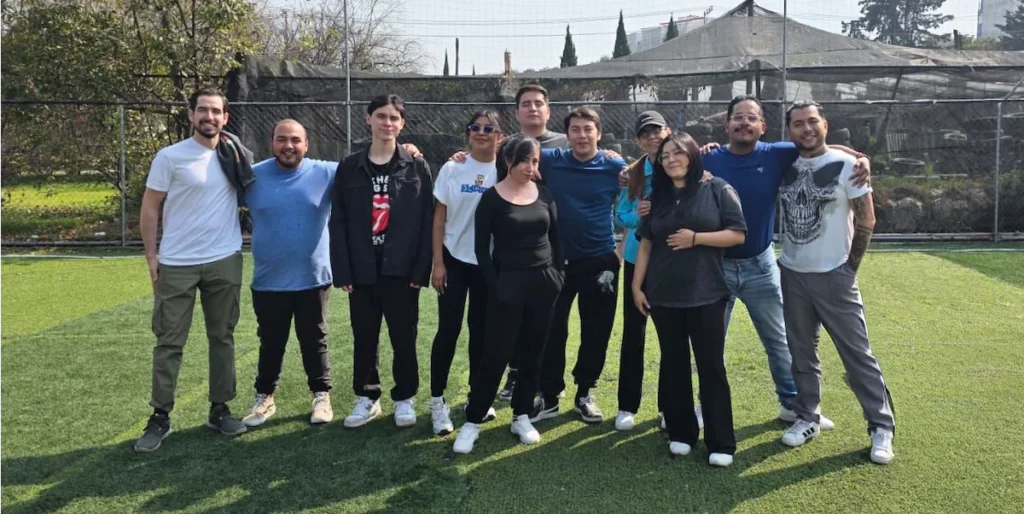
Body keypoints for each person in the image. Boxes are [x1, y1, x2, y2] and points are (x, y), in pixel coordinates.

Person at [683, 95, 871, 426]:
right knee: (709, 343)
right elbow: (670, 165)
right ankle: (704, 405)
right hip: (715, 267)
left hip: (761, 264)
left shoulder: (778, 154)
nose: (744, 123)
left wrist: (859, 157)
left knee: (780, 342)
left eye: (751, 118)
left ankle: (792, 404)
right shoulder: (707, 159)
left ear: (763, 127)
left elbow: (819, 144)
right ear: (726, 124)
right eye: (737, 117)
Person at [776, 102, 895, 464]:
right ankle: (807, 415)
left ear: (825, 124)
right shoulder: (783, 164)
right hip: (792, 273)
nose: (806, 129)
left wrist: (849, 269)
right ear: (789, 130)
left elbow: (867, 219)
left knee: (857, 354)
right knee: (801, 352)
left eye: (813, 121)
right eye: (798, 124)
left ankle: (881, 426)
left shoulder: (848, 166)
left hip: (835, 276)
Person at [134, 88, 252, 452]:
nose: (209, 117)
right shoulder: (169, 157)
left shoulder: (236, 156)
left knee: (223, 338)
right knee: (169, 342)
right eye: (203, 110)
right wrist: (152, 257)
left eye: (216, 111)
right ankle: (160, 417)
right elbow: (150, 208)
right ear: (190, 114)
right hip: (177, 264)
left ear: (225, 118)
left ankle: (220, 409)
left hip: (224, 260)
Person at [632, 132, 747, 468]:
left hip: (707, 293)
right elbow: (646, 244)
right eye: (665, 155)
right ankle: (681, 433)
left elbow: (737, 233)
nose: (671, 160)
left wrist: (696, 238)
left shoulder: (718, 188)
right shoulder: (658, 197)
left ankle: (721, 441)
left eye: (678, 153)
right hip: (663, 294)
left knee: (711, 367)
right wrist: (637, 288)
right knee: (674, 363)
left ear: (693, 155)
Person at [450, 84, 565, 402]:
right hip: (509, 269)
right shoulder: (507, 150)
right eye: (525, 103)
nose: (531, 167)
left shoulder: (565, 144)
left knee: (547, 336)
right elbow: (481, 157)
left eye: (538, 103)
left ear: (548, 110)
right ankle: (490, 398)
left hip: (546, 267)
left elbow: (592, 152)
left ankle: (543, 395)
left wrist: (558, 273)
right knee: (501, 339)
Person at [452, 135, 563, 453]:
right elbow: (481, 249)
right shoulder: (491, 198)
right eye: (526, 160)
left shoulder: (544, 194)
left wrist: (558, 276)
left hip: (543, 283)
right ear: (508, 161)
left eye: (535, 161)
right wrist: (496, 284)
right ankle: (473, 421)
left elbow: (557, 240)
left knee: (533, 354)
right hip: (507, 284)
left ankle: (521, 415)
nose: (531, 167)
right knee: (495, 355)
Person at [329, 94, 433, 429]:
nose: (387, 123)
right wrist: (342, 269)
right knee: (364, 335)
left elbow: (427, 220)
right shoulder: (349, 167)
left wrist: (421, 269)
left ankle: (404, 398)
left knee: (404, 336)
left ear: (402, 123)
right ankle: (367, 397)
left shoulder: (416, 165)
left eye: (394, 118)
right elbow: (339, 220)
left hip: (401, 271)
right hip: (362, 269)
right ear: (368, 119)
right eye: (381, 116)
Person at [531, 107, 628, 424]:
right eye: (576, 129)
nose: (582, 135)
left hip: (601, 261)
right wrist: (461, 156)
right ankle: (548, 395)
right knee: (550, 329)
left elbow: (640, 200)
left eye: (589, 129)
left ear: (599, 133)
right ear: (567, 134)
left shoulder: (615, 165)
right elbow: (506, 151)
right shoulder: (551, 159)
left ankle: (585, 392)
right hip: (555, 261)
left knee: (596, 331)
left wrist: (620, 251)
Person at [240, 120, 336, 428]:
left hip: (313, 277)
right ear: (272, 143)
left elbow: (370, 167)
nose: (289, 145)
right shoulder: (252, 177)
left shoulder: (326, 173)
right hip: (269, 279)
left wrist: (407, 150)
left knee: (314, 339)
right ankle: (264, 397)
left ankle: (321, 395)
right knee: (271, 341)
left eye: (295, 140)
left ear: (306, 145)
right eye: (282, 139)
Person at [428, 110, 503, 435]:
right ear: (468, 133)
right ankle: (436, 402)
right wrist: (438, 263)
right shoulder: (452, 167)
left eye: (489, 128)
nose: (481, 132)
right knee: (448, 330)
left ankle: (478, 398)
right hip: (454, 260)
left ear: (500, 135)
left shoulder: (507, 168)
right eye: (475, 127)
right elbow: (439, 219)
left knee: (483, 333)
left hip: (489, 265)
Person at [612, 111, 667, 431]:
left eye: (656, 130)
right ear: (638, 140)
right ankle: (626, 406)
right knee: (634, 334)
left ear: (667, 131)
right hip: (636, 261)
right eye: (645, 133)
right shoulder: (631, 173)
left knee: (670, 337)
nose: (652, 137)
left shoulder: (682, 163)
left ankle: (668, 406)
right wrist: (641, 215)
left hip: (671, 262)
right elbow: (621, 215)